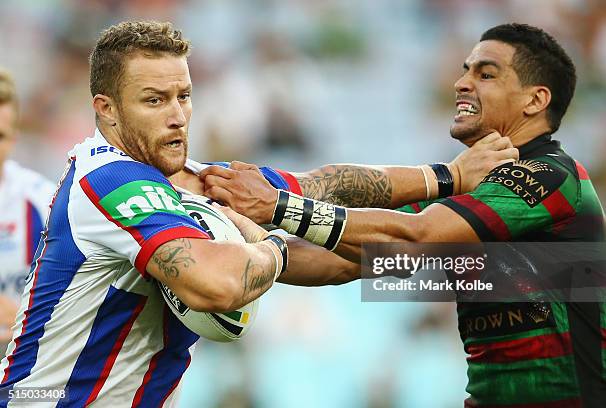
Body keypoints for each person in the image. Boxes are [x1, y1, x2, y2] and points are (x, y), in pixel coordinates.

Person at [0, 21, 515, 407]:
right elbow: (220, 284)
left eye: (184, 96)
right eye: (154, 100)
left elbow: (324, 186)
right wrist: (265, 240)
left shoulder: (195, 180)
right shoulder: (107, 181)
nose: (177, 115)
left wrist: (448, 185)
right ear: (106, 109)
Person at [202, 24, 606, 407]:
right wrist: (252, 251)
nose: (461, 82)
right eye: (466, 70)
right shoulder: (473, 187)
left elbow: (413, 237)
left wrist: (277, 206)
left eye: (486, 74)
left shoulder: (551, 177)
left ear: (536, 100)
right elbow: (351, 259)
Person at [0, 70, 55, 359]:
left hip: (22, 367)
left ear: (14, 138)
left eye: (0, 136)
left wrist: (24, 320)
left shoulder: (42, 200)